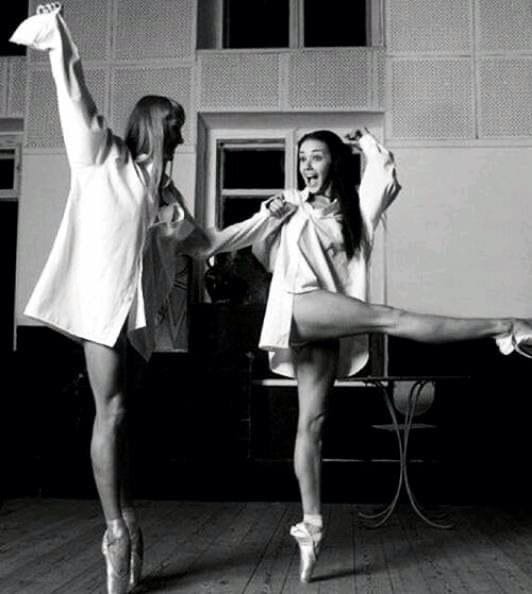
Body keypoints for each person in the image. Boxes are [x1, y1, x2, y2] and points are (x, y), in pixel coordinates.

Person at [10, 4, 294, 593]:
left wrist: (265, 217)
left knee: (124, 420)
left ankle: (128, 519)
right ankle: (115, 532)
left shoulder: (170, 201)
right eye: (177, 126)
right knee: (110, 413)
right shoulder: (102, 157)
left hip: (138, 319)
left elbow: (209, 243)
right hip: (99, 307)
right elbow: (74, 94)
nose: (183, 136)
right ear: (156, 124)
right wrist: (59, 35)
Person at [254, 128, 532, 583]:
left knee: (313, 423)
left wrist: (366, 141)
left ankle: (311, 525)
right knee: (391, 319)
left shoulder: (356, 210)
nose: (306, 165)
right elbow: (262, 255)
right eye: (302, 157)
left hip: (327, 321)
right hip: (296, 307)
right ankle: (505, 326)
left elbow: (385, 175)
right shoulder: (291, 204)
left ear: (334, 162)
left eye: (316, 156)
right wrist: (269, 221)